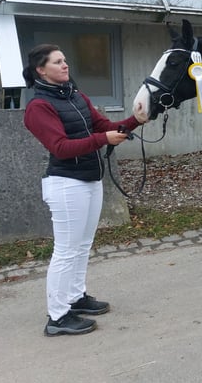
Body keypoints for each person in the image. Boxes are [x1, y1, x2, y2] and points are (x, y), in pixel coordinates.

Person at [22, 44, 143, 337]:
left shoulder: (77, 96)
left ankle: (76, 298)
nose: (66, 65)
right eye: (58, 62)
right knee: (65, 251)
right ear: (41, 70)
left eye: (65, 60)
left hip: (90, 180)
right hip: (66, 184)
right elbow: (61, 147)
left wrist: (137, 119)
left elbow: (106, 126)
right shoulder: (38, 107)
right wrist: (104, 138)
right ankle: (57, 317)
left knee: (82, 245)